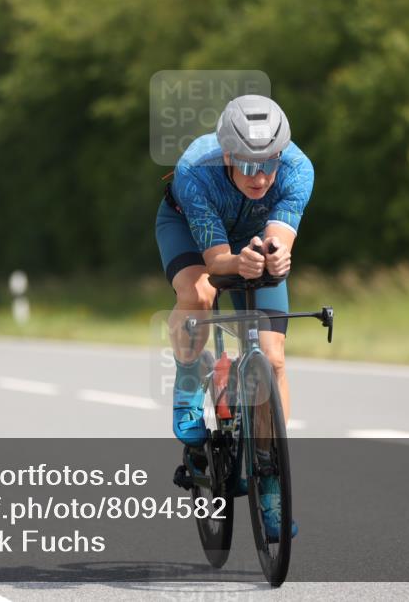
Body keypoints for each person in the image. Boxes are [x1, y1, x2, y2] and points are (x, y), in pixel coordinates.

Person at [155, 94, 314, 539]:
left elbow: (281, 236)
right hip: (191, 230)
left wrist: (278, 257)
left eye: (270, 164)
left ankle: (269, 481)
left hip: (252, 241)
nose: (260, 176)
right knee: (198, 294)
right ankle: (188, 381)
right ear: (227, 153)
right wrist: (236, 263)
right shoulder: (194, 170)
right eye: (247, 165)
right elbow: (218, 260)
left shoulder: (299, 169)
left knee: (273, 356)